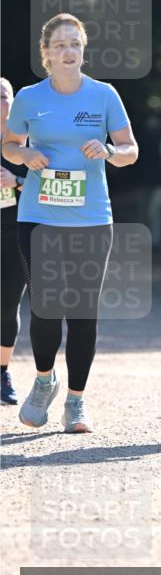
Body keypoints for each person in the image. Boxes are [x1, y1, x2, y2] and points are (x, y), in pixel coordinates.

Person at [1, 12, 138, 433]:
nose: (68, 52)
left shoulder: (104, 96)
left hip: (92, 219)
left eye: (75, 44)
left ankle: (76, 401)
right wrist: (25, 156)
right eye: (59, 45)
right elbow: (8, 145)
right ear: (46, 53)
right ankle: (44, 381)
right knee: (45, 305)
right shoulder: (28, 97)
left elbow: (131, 148)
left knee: (82, 311)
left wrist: (110, 152)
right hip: (39, 216)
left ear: (84, 50)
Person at [1, 78, 28, 404]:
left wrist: (17, 180)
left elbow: (50, 180)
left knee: (6, 308)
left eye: (4, 96)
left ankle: (2, 372)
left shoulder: (26, 143)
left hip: (15, 233)